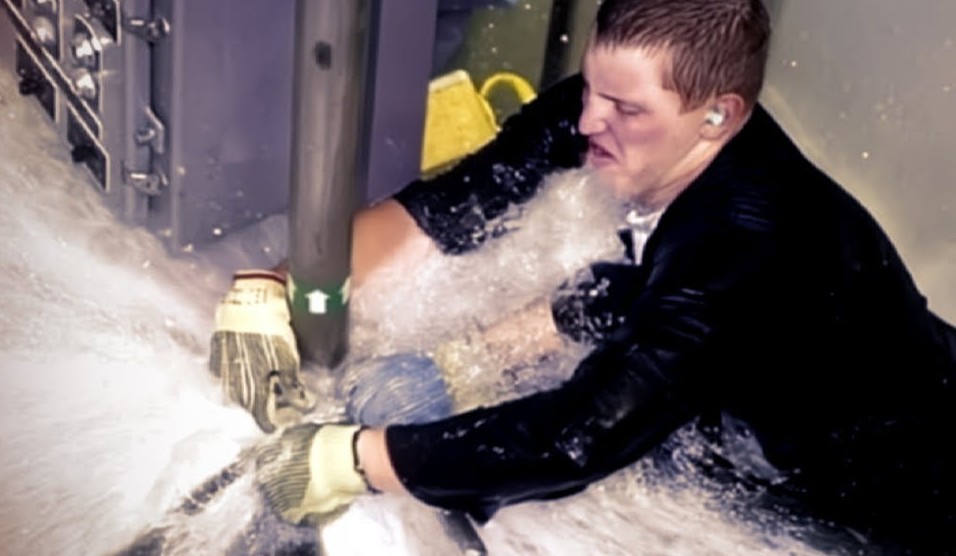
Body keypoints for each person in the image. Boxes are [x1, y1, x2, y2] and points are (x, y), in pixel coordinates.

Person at [211, 0, 956, 553]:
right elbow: (451, 208)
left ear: (718, 116)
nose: (589, 119)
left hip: (899, 484)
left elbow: (578, 438)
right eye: (593, 86)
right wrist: (273, 287)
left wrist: (351, 460)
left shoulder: (742, 245)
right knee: (615, 290)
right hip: (776, 370)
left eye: (625, 107)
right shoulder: (622, 123)